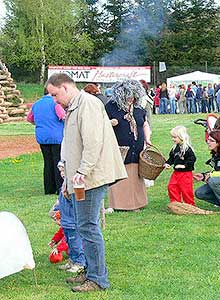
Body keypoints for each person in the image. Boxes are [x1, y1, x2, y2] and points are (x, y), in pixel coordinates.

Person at [46, 73, 127, 292]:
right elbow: (73, 146)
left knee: (88, 228)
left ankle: (98, 279)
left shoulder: (88, 105)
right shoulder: (75, 107)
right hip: (82, 178)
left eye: (54, 94)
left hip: (91, 178)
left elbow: (93, 142)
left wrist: (82, 170)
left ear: (65, 87)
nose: (54, 100)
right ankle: (91, 273)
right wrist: (67, 176)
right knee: (85, 226)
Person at [105, 80, 152, 212]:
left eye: (133, 96)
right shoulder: (111, 107)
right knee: (120, 175)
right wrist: (111, 123)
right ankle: (118, 204)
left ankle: (136, 203)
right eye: (128, 96)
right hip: (119, 147)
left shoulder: (138, 109)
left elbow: (144, 124)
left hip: (136, 148)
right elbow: (101, 124)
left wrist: (147, 139)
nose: (131, 99)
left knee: (134, 176)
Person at [26, 89, 65, 194]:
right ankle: (59, 187)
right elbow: (63, 116)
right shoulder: (55, 103)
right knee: (58, 161)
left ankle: (48, 188)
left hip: (42, 137)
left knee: (47, 162)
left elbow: (29, 119)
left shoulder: (36, 104)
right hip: (57, 136)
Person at [164, 126, 197, 206]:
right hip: (176, 173)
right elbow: (171, 158)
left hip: (186, 174)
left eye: (175, 137)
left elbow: (192, 159)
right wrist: (168, 163)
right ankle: (176, 203)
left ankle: (189, 205)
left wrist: (184, 166)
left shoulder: (187, 149)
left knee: (186, 190)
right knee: (171, 186)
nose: (173, 139)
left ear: (181, 137)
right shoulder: (175, 148)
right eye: (172, 137)